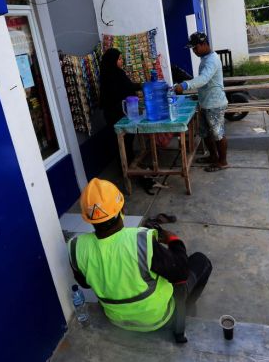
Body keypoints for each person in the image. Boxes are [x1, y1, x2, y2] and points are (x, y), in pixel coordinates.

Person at [67, 178, 212, 340]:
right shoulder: (141, 240)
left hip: (118, 321)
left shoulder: (76, 247)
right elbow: (180, 272)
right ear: (121, 208)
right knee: (201, 261)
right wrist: (173, 240)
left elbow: (85, 283)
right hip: (157, 319)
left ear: (89, 218)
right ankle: (186, 308)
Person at [174, 32, 229, 172]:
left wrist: (185, 85)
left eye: (195, 47)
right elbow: (205, 83)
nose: (194, 51)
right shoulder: (205, 58)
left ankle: (222, 162)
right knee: (205, 133)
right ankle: (212, 157)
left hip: (215, 104)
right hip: (205, 102)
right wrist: (198, 95)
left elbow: (203, 79)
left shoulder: (212, 60)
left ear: (204, 44)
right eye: (192, 48)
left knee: (218, 134)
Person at [99, 48, 141, 162]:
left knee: (123, 141)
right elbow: (128, 87)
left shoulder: (107, 74)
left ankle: (127, 164)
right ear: (113, 60)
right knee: (124, 140)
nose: (122, 61)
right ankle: (128, 166)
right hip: (117, 114)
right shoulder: (115, 74)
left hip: (115, 112)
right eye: (119, 59)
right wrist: (143, 86)